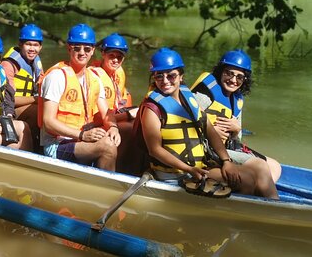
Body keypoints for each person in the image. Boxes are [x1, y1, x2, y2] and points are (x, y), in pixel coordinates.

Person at [138, 47, 278, 199]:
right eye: (159, 76)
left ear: (181, 76)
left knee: (247, 177)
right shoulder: (152, 109)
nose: (165, 81)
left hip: (197, 167)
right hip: (174, 174)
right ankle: (230, 217)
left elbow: (208, 129)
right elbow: (155, 150)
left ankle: (237, 214)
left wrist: (226, 161)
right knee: (245, 181)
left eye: (171, 76)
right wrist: (189, 169)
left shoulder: (189, 98)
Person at [191, 49, 282, 182]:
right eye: (229, 73)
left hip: (226, 148)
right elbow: (183, 122)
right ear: (220, 72)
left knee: (275, 166)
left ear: (245, 79)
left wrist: (237, 129)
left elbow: (236, 141)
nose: (233, 80)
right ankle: (266, 197)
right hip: (205, 149)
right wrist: (210, 131)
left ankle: (262, 192)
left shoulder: (237, 100)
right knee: (260, 167)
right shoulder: (205, 93)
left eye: (239, 77)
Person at [39, 24, 120, 171]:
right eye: (77, 48)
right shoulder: (57, 77)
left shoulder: (94, 78)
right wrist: (83, 135)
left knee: (117, 137)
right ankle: (106, 190)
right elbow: (48, 122)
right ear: (69, 48)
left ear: (93, 51)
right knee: (108, 147)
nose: (82, 52)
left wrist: (114, 128)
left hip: (80, 138)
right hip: (57, 145)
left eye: (87, 49)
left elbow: (107, 113)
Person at [0, 23, 44, 151]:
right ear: (20, 44)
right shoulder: (9, 65)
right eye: (28, 44)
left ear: (40, 47)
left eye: (35, 45)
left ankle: (45, 145)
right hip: (8, 111)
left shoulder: (36, 62)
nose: (32, 49)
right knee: (37, 111)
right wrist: (36, 99)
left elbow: (42, 85)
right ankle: (36, 149)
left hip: (28, 104)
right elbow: (8, 100)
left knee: (48, 108)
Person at [90, 33, 135, 122]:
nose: (115, 60)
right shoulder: (93, 76)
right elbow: (96, 118)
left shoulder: (118, 73)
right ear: (103, 54)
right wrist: (129, 115)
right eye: (111, 56)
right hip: (99, 123)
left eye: (119, 57)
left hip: (114, 116)